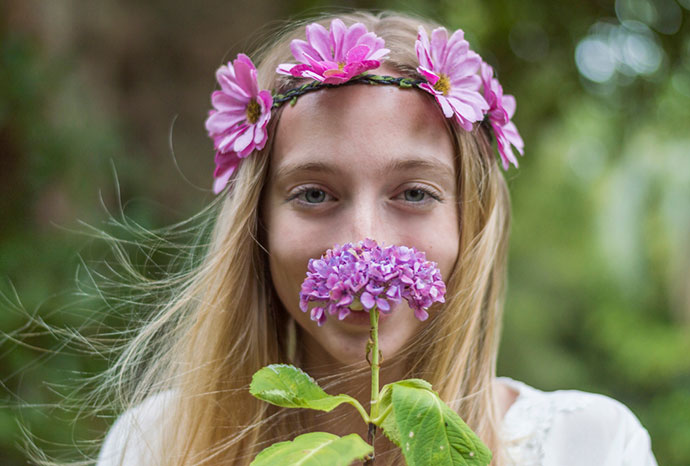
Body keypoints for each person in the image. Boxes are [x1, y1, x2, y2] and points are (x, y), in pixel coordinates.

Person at [95, 10, 657, 466]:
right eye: (314, 194)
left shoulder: (592, 446)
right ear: (257, 227)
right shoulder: (154, 444)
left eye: (414, 194)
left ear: (473, 222)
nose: (365, 243)